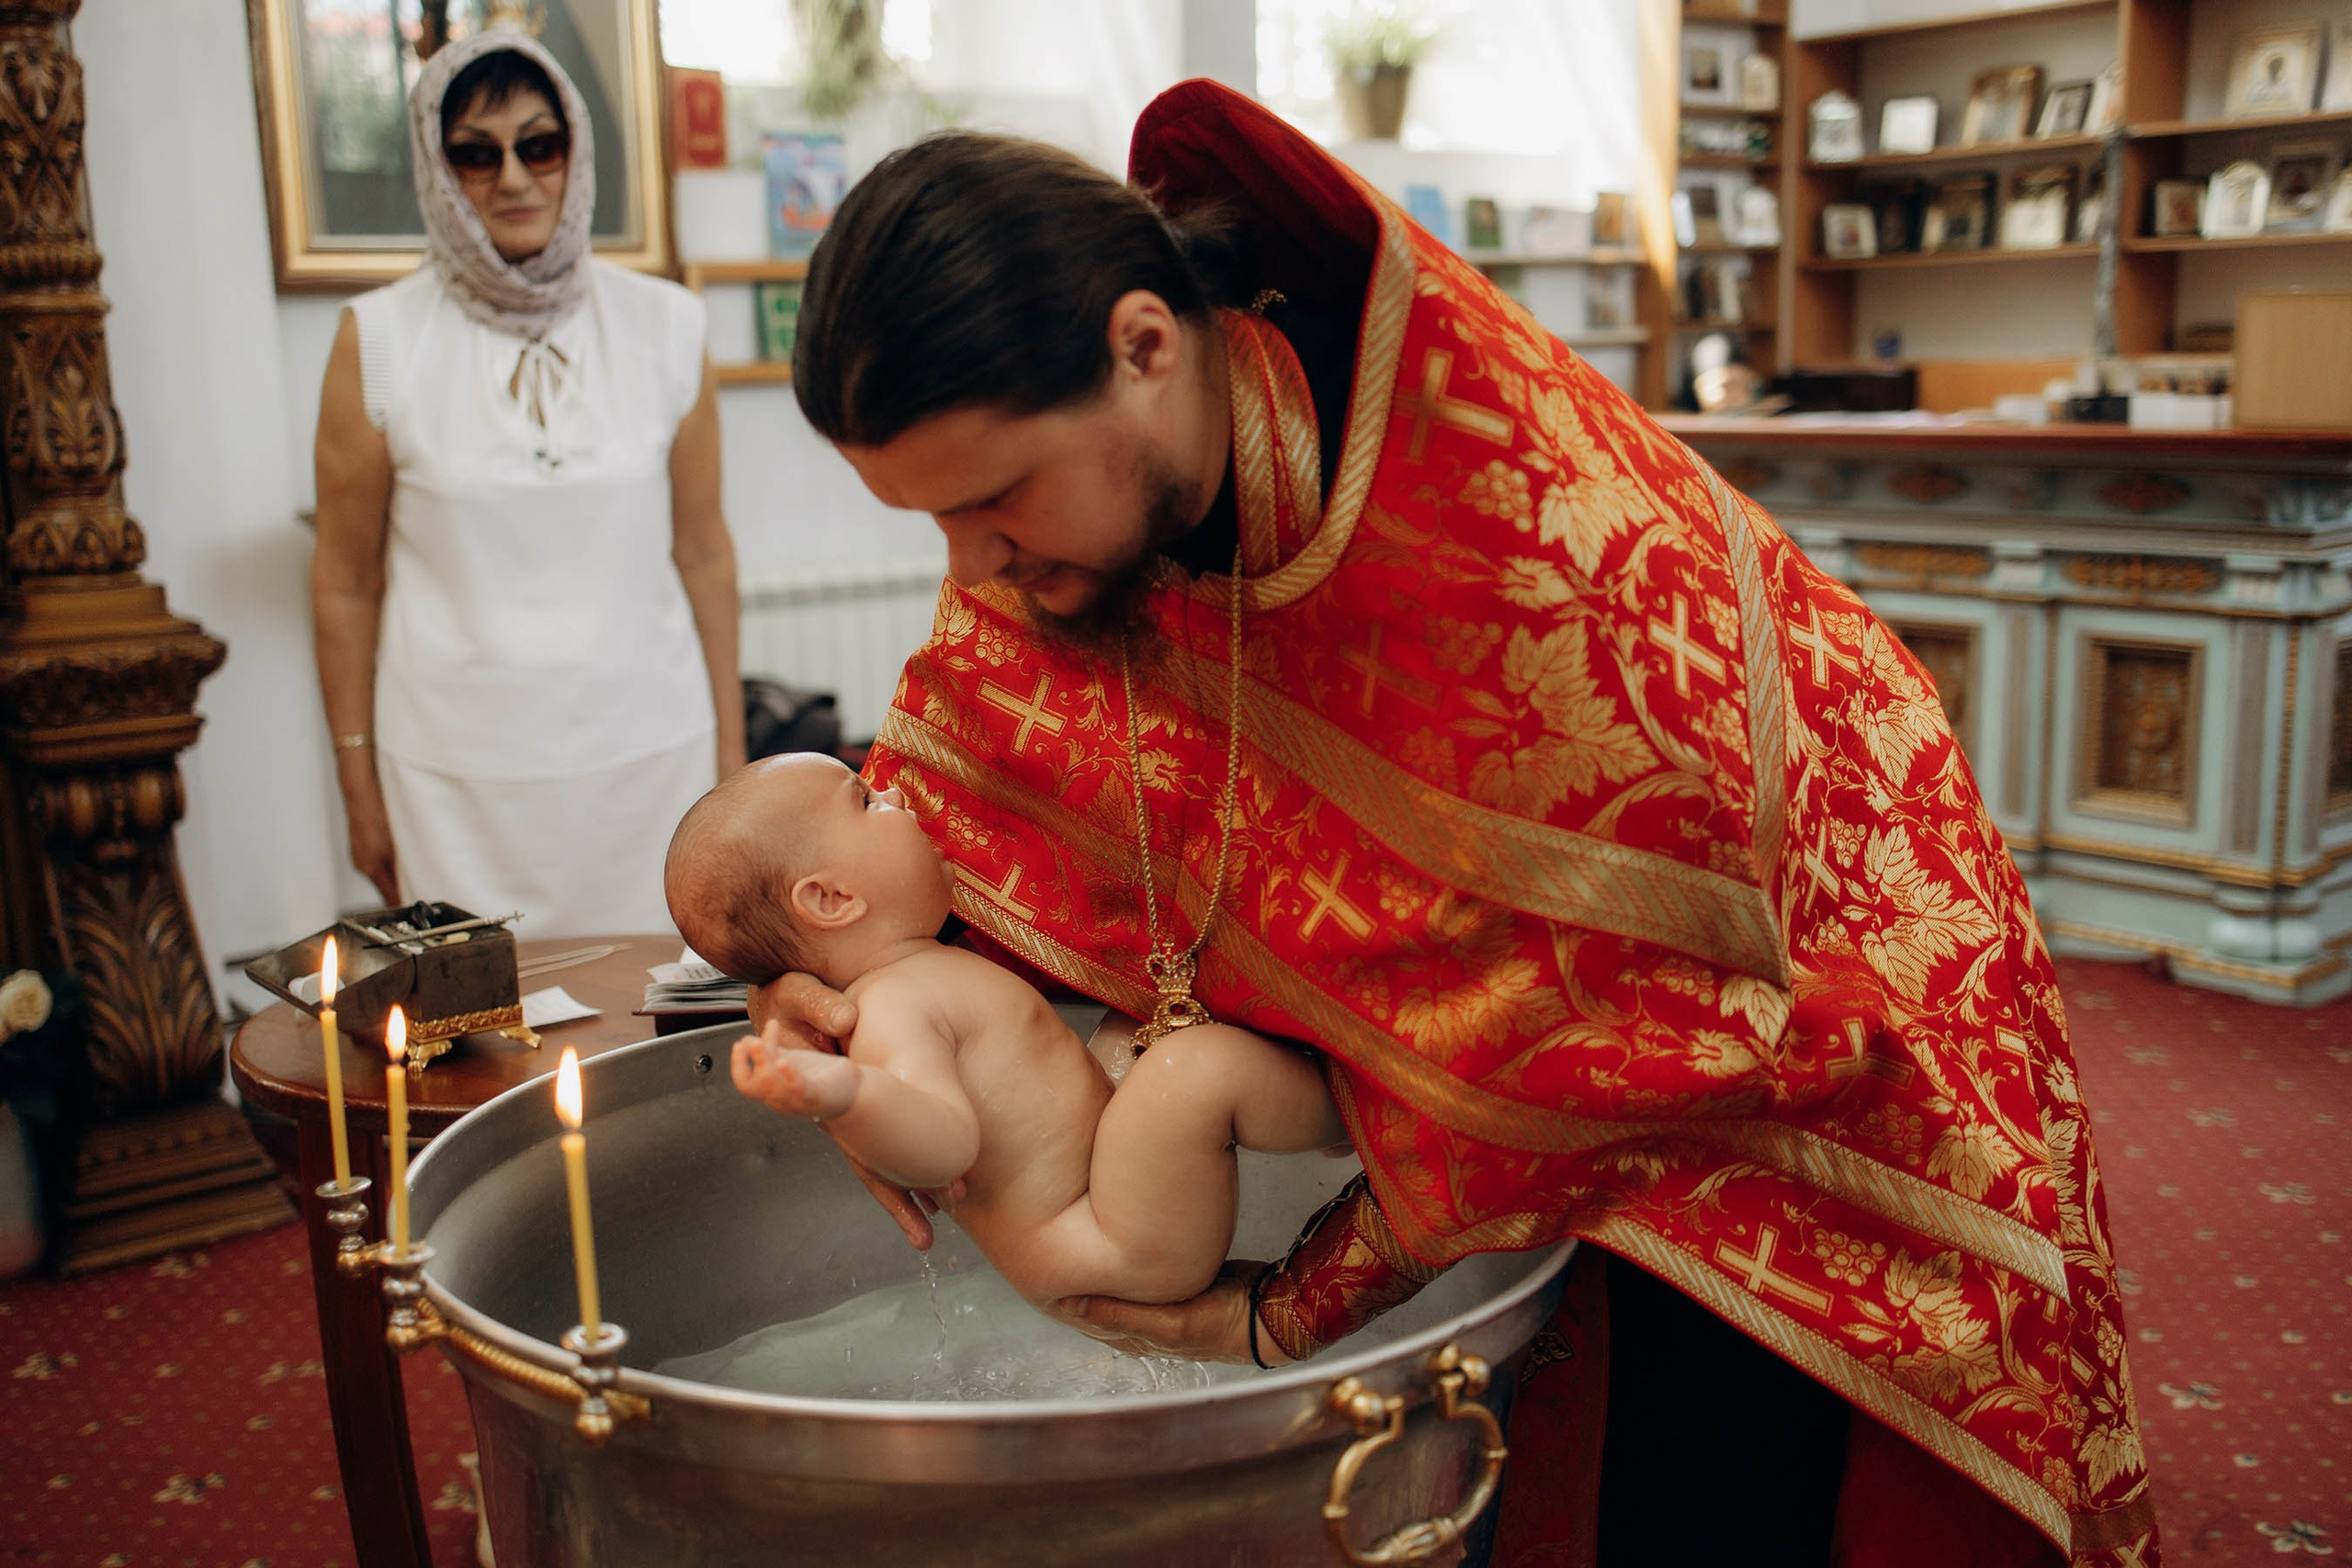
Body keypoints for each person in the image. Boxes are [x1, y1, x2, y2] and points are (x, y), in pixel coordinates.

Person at [760, 82, 2156, 1568]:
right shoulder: (1071, 517)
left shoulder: (1534, 566)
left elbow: (1598, 1036)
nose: (972, 571)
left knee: (1716, 1482)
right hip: (1630, 991)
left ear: (1145, 345)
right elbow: (982, 780)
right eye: (933, 528)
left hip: (1794, 1011)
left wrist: (1279, 1308)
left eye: (993, 504)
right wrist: (861, 986)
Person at [311, 27, 745, 938]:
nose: (512, 179)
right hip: (457, 784)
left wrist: (731, 754)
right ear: (437, 170)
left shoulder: (667, 326)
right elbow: (346, 582)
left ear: (575, 153)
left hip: (650, 764)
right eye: (475, 154)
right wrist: (357, 780)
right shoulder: (378, 339)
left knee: (655, 1028)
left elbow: (703, 553)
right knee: (484, 1044)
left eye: (538, 146)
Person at [665, 753, 1343, 1310]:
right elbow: (944, 1145)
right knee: (1193, 1069)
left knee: (1146, 1021)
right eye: (869, 799)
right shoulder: (888, 1013)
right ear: (832, 899)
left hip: (1096, 1187)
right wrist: (848, 1092)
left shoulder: (916, 969)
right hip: (1107, 1236)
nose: (899, 790)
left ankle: (1317, 1105)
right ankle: (1347, 1116)